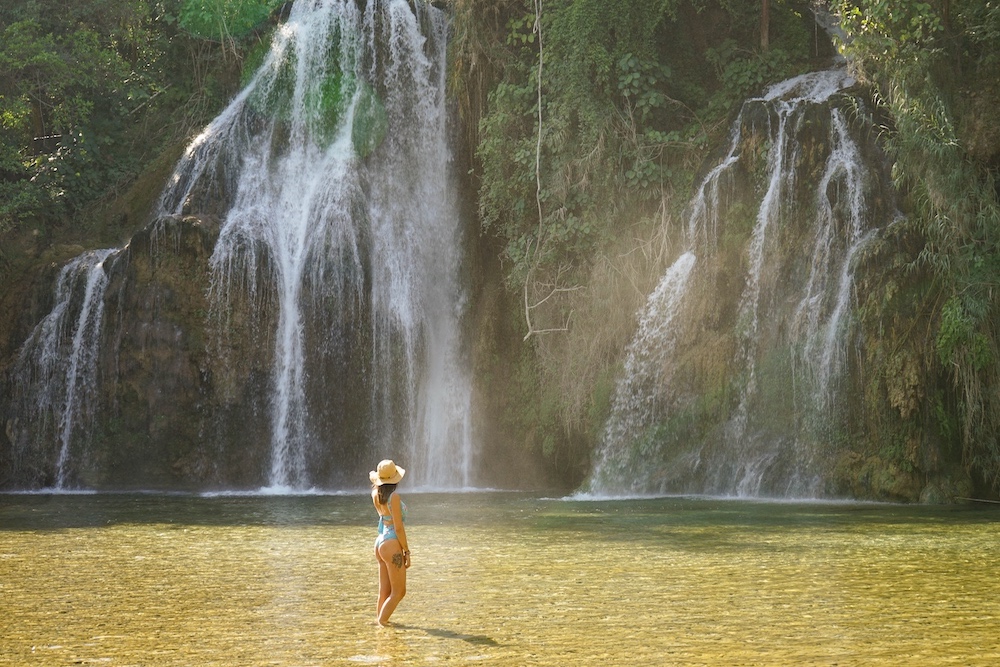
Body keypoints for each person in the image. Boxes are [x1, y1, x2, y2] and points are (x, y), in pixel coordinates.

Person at [370, 459, 410, 626]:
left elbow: (384, 519)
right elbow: (399, 528)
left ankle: (380, 628)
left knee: (384, 591)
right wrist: (406, 551)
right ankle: (382, 623)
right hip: (392, 542)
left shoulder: (375, 494)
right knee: (399, 592)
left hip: (380, 541)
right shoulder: (394, 497)